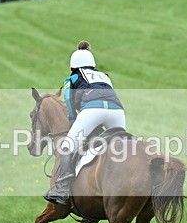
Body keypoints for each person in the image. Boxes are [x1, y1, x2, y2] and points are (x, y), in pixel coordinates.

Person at [43, 40, 126, 205]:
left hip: (92, 110)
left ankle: (62, 188)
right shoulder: (104, 76)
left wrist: (73, 119)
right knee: (121, 148)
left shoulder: (73, 77)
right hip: (117, 112)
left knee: (67, 146)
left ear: (73, 65)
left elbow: (67, 97)